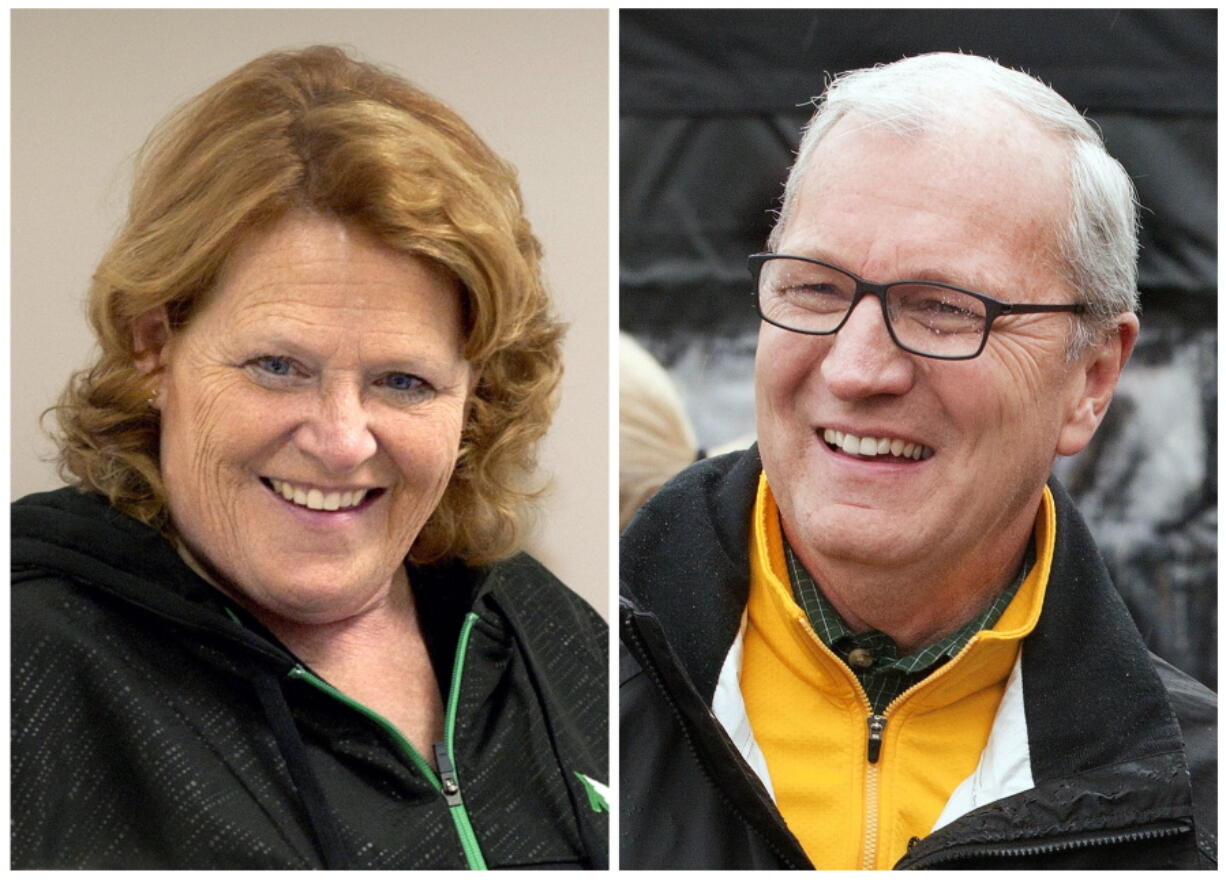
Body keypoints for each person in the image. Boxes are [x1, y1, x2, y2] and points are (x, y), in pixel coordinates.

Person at [13, 46, 607, 870]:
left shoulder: (547, 631)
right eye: (278, 367)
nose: (340, 439)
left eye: (403, 381)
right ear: (156, 346)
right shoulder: (33, 675)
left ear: (476, 392)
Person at [620, 52, 1215, 870]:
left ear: (1091, 379)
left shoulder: (1193, 809)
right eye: (816, 289)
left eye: (943, 308)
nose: (857, 369)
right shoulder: (553, 699)